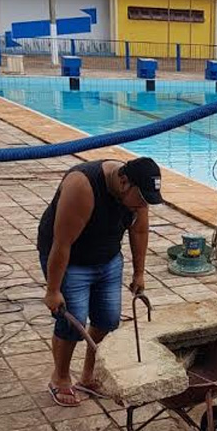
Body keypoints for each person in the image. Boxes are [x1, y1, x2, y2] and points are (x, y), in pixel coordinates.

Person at [37, 157, 164, 407]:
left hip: (107, 257)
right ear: (124, 181)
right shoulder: (82, 187)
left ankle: (88, 375)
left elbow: (139, 230)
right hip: (70, 258)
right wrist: (53, 290)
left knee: (107, 319)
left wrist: (139, 273)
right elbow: (61, 244)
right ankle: (60, 378)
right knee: (72, 322)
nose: (142, 205)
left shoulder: (138, 193)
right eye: (141, 198)